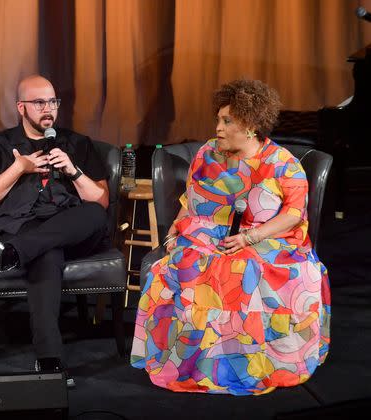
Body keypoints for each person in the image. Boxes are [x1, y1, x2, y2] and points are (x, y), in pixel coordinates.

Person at [130, 79, 331, 395]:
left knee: (241, 270)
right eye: (218, 119)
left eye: (227, 121)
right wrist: (175, 228)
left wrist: (250, 238)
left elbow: (293, 214)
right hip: (207, 229)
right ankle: (190, 362)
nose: (218, 128)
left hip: (269, 237)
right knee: (178, 267)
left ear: (250, 126)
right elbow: (191, 199)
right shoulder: (208, 153)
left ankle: (241, 362)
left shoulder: (281, 164)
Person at [0, 75, 110, 384]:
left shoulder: (77, 143)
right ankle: (49, 361)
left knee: (93, 215)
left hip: (67, 224)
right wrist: (18, 168)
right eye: (39, 103)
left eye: (52, 102)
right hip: (20, 225)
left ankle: (13, 254)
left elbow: (101, 200)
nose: (48, 109)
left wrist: (73, 171)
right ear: (21, 107)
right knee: (47, 254)